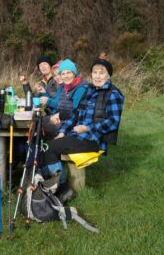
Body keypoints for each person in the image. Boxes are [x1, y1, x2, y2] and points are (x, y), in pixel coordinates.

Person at [41, 54, 125, 192]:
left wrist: (87, 128)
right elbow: (75, 113)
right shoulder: (90, 90)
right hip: (77, 135)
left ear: (108, 75)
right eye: (95, 72)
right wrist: (62, 132)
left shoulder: (114, 94)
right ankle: (51, 181)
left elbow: (113, 122)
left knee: (50, 148)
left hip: (93, 140)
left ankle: (59, 186)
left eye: (101, 73)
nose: (97, 76)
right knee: (46, 143)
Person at [40, 59, 88, 139]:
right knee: (40, 123)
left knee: (42, 126)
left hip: (74, 126)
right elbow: (60, 105)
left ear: (74, 73)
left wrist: (58, 117)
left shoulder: (80, 89)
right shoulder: (65, 87)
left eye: (68, 73)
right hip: (64, 119)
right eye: (62, 74)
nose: (65, 76)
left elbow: (75, 113)